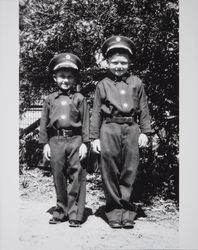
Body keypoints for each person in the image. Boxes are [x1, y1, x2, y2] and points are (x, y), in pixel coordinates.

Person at [90, 35, 152, 229]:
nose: (119, 66)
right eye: (115, 62)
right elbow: (96, 112)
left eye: (123, 62)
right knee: (110, 171)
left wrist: (145, 132)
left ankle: (127, 212)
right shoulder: (103, 84)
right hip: (109, 129)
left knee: (129, 170)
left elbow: (143, 108)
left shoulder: (137, 82)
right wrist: (94, 138)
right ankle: (114, 212)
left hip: (132, 129)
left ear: (129, 62)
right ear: (108, 62)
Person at [39, 53, 89, 227]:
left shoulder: (80, 98)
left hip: (75, 140)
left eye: (69, 77)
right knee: (58, 176)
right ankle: (61, 211)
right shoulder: (49, 99)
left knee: (77, 175)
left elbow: (86, 123)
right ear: (55, 77)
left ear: (75, 78)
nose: (65, 80)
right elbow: (44, 123)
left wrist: (85, 143)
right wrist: (45, 144)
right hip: (56, 141)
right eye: (62, 76)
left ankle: (75, 213)